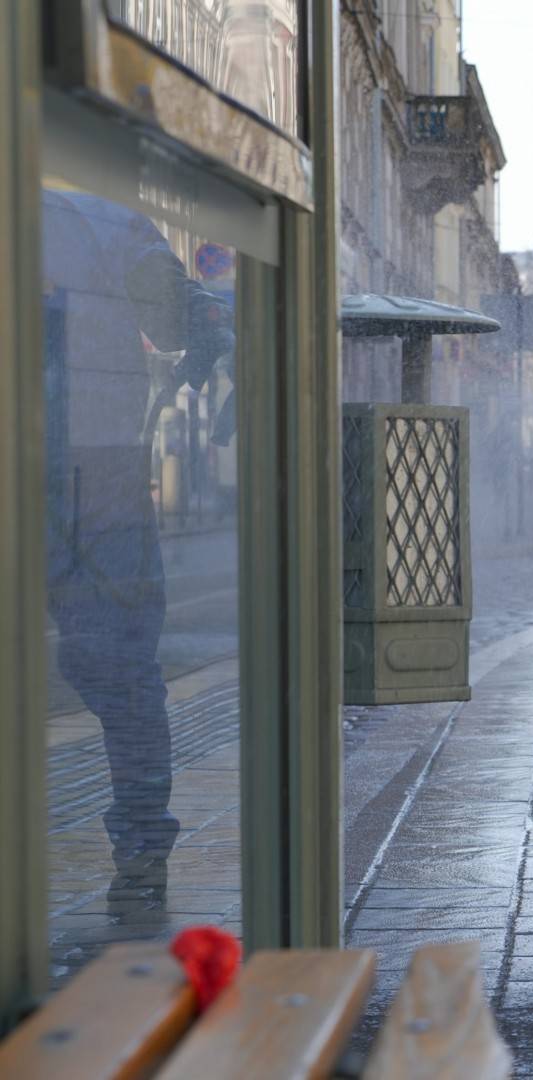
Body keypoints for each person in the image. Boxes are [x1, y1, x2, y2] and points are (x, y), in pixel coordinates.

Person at [42, 183, 232, 906]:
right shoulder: (101, 222)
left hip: (70, 472)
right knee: (122, 669)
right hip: (103, 474)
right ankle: (144, 843)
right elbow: (187, 317)